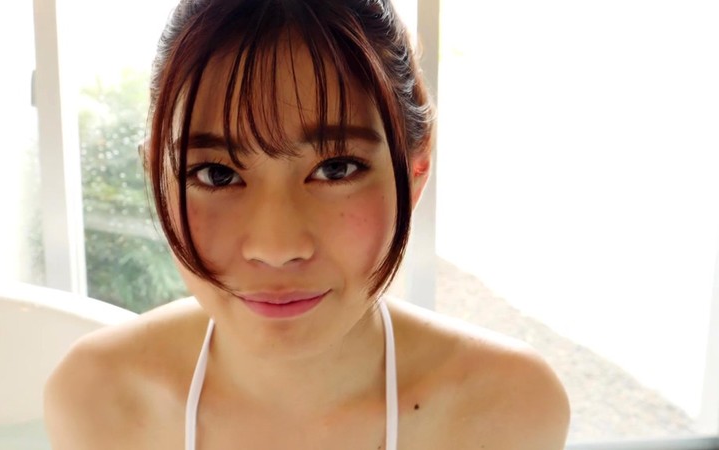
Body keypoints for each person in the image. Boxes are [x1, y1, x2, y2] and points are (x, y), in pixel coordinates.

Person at [43, 0, 570, 448]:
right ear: (155, 175)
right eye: (216, 174)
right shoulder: (96, 399)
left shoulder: (507, 408)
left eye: (337, 169)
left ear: (415, 172)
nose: (276, 247)